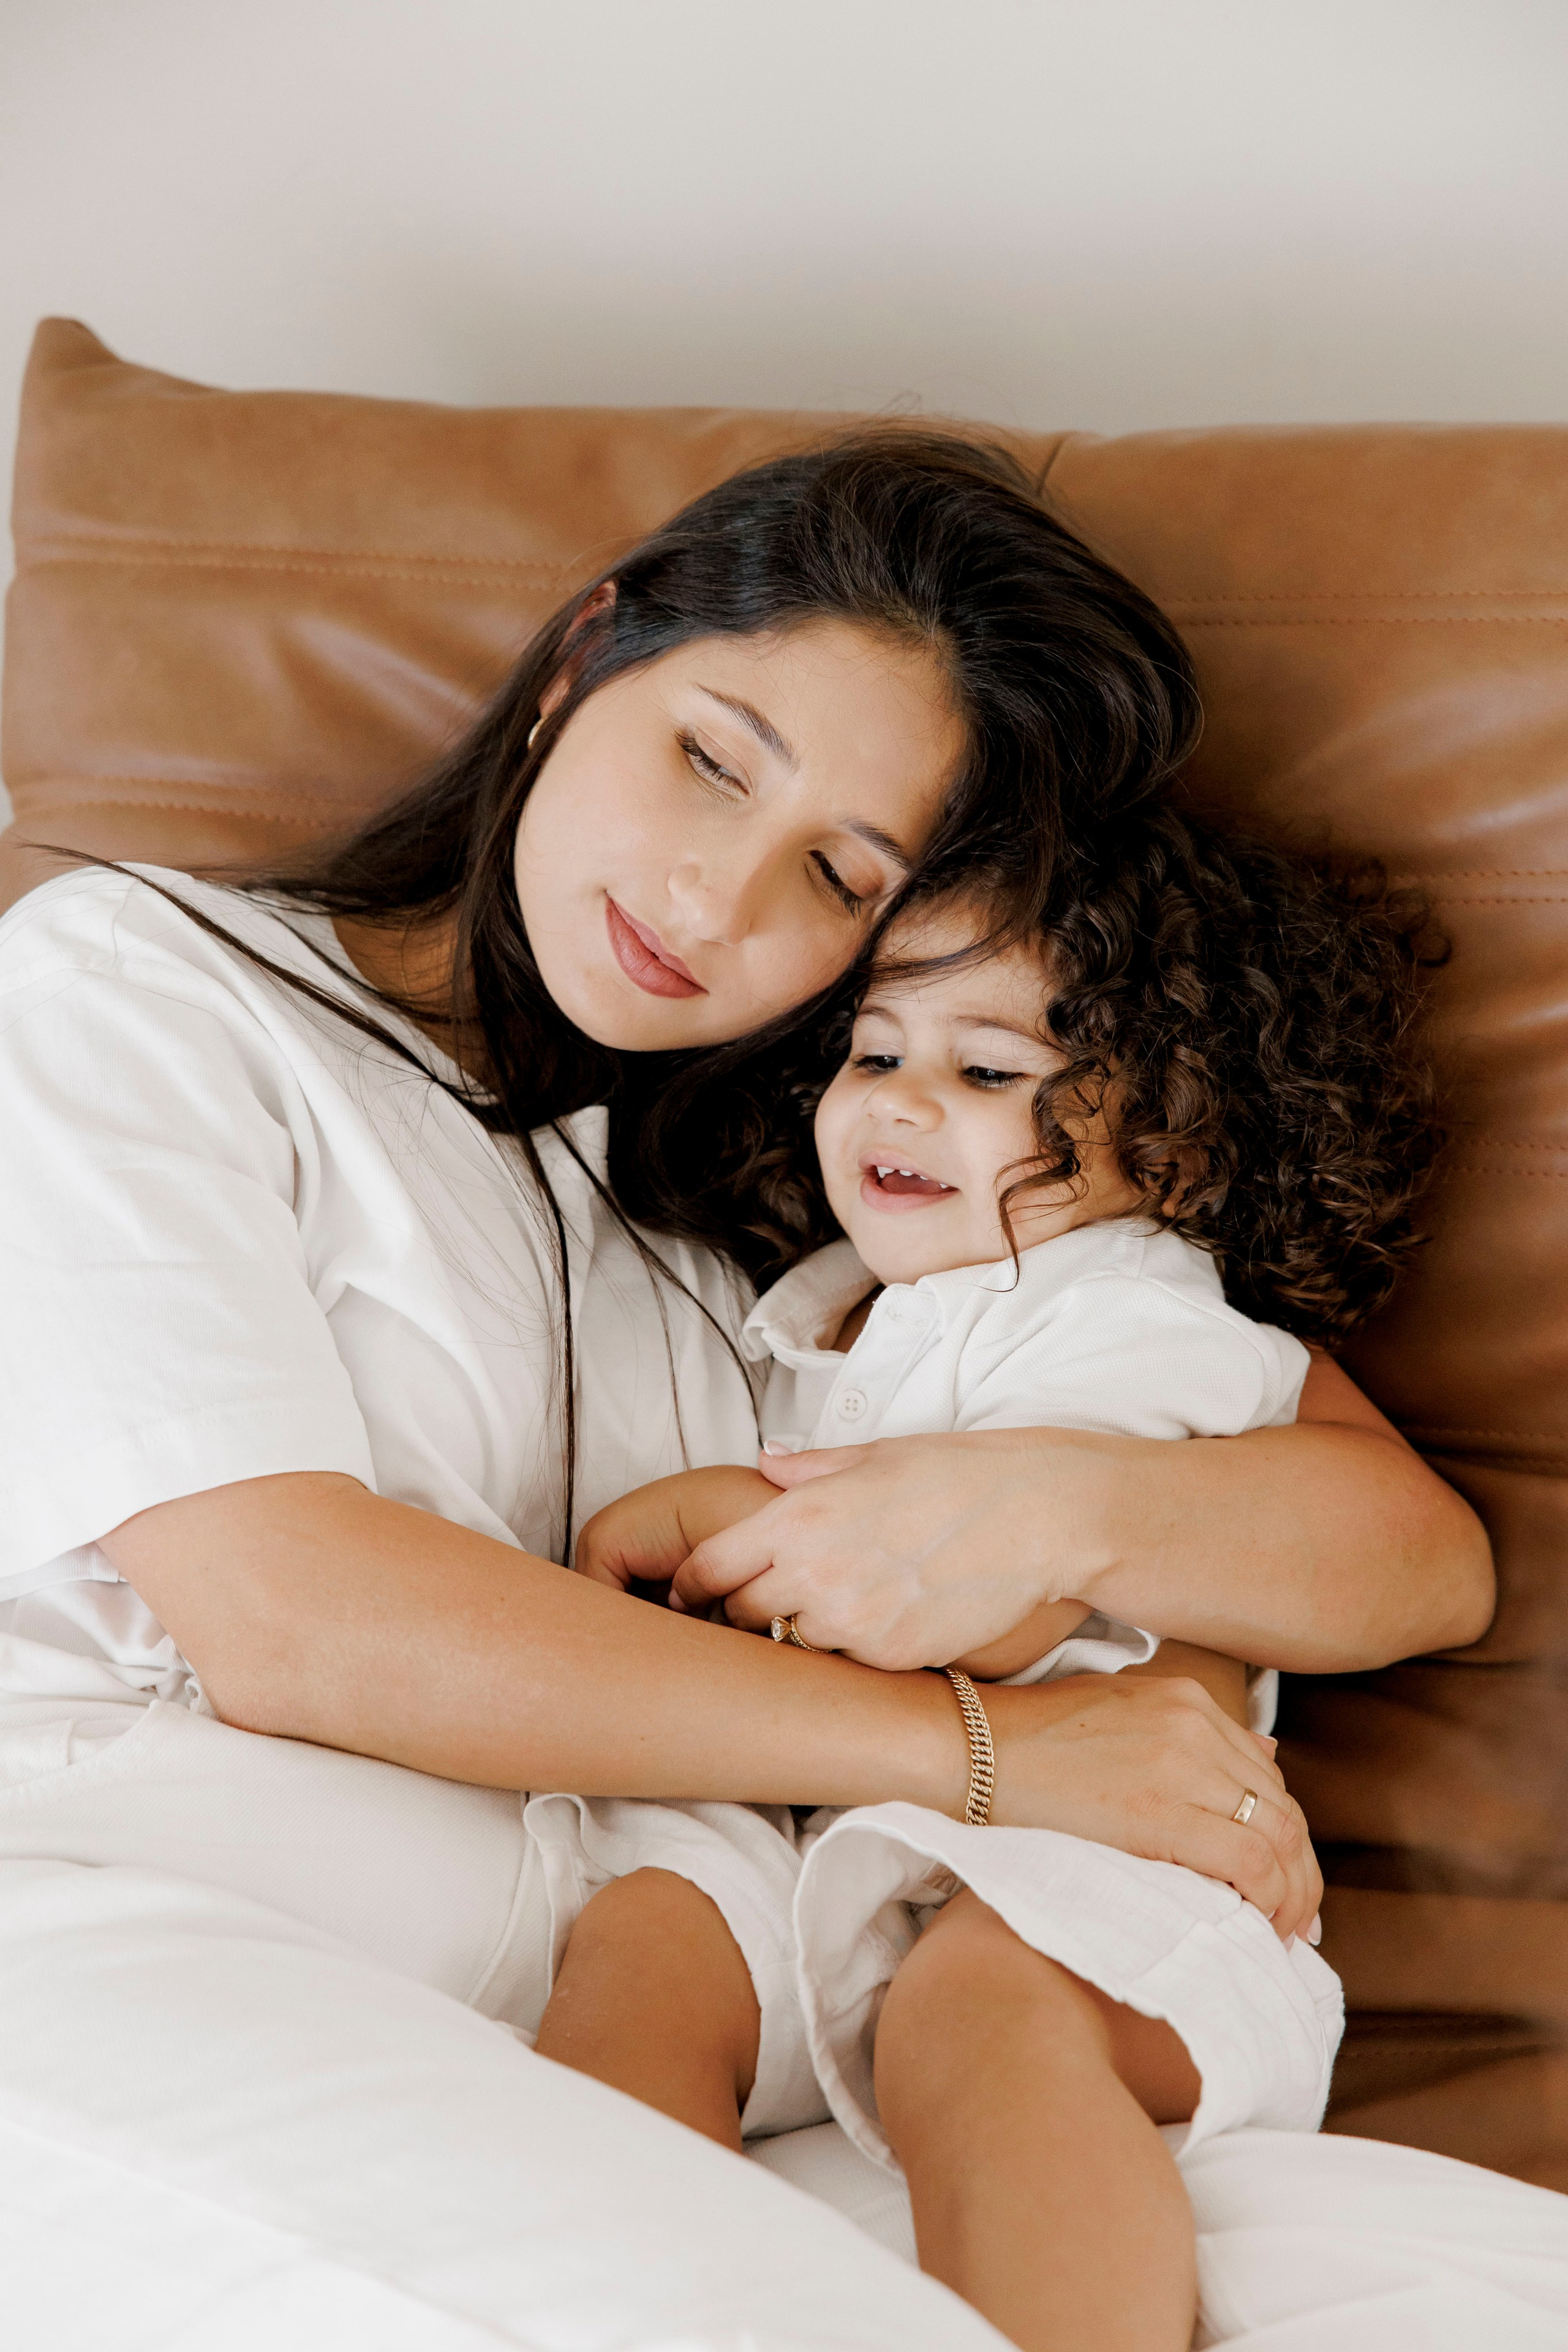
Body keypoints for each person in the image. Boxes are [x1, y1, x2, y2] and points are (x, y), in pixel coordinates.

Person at [0, 434, 1491, 2347]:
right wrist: (994, 1751)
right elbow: (294, 1618)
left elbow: (1412, 1552)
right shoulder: (139, 995)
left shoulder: (823, 1228)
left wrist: (1054, 1515)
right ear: (581, 663)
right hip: (171, 1946)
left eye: (836, 872)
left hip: (689, 2049)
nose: (710, 899)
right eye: (710, 755)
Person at [530, 815, 1434, 2352]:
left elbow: (998, 1613)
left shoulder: (1137, 1308)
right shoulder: (819, 1313)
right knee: (633, 1959)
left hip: (1102, 1846)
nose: (902, 1099)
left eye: (990, 1071)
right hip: (815, 1817)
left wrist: (713, 1519)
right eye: (873, 1052)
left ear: (1177, 1144)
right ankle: (632, 2310)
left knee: (977, 2019)